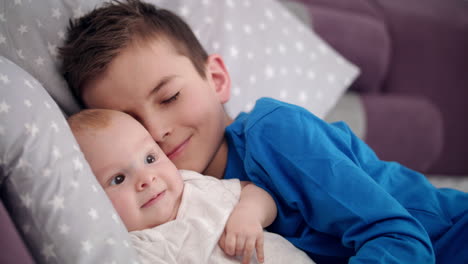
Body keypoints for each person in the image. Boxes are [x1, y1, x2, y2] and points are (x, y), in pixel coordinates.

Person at [59, 0, 468, 263]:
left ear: (216, 78)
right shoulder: (171, 198)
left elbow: (399, 237)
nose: (159, 131)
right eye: (133, 123)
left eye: (169, 97)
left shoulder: (275, 134)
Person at [67, 109, 314, 264]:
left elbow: (256, 192)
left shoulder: (192, 183)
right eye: (118, 179)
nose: (147, 179)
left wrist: (249, 214)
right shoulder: (139, 246)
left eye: (150, 159)